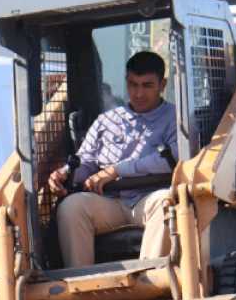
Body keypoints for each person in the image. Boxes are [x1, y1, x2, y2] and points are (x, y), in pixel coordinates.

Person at [48, 51, 177, 268]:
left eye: (147, 85)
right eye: (133, 84)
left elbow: (172, 159)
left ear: (162, 85)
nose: (138, 93)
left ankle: (150, 279)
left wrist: (117, 170)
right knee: (71, 206)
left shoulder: (175, 118)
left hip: (150, 197)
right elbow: (86, 161)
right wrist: (65, 173)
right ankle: (81, 283)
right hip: (111, 202)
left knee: (167, 201)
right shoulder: (106, 121)